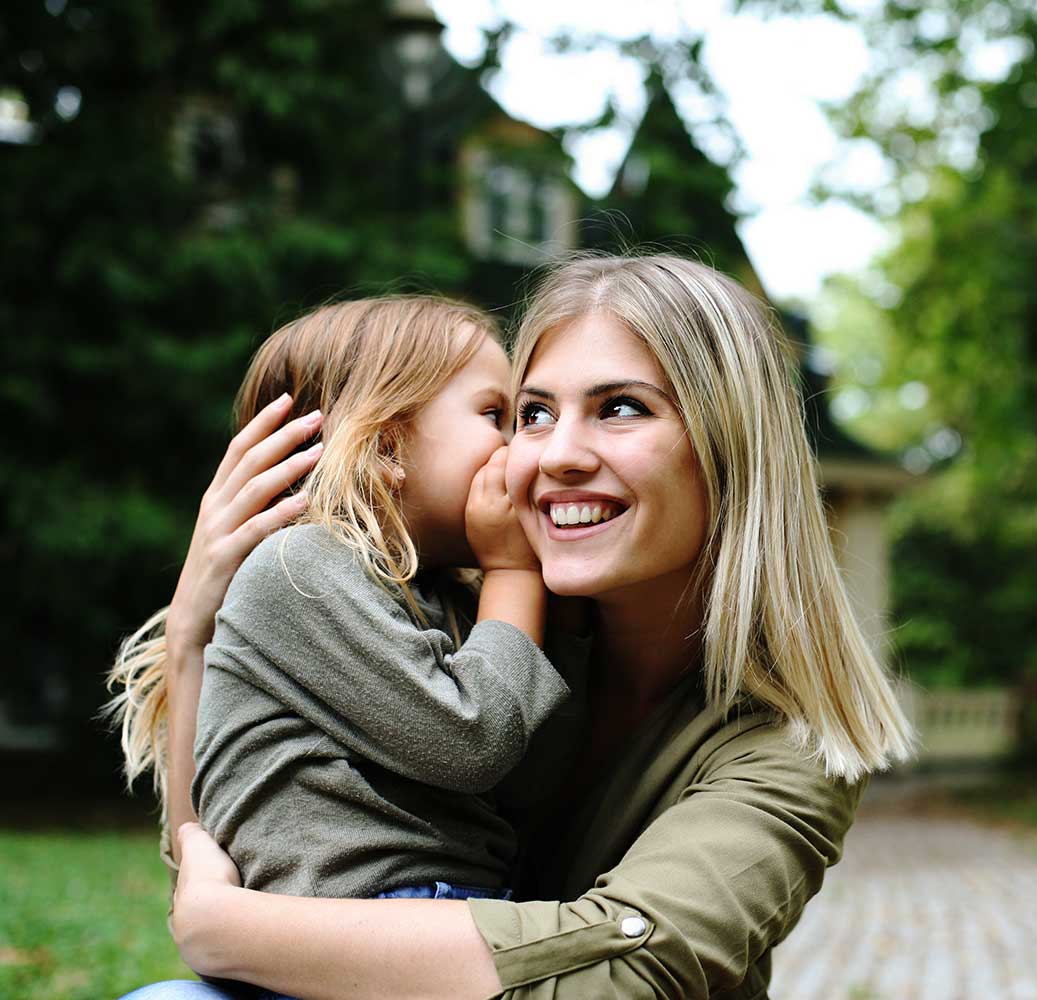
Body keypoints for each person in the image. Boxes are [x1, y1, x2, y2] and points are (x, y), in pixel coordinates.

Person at [118, 255, 916, 1000]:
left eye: (621, 408)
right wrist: (193, 634)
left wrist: (237, 931)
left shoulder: (791, 743)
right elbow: (227, 847)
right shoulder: (466, 612)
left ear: (730, 449)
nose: (553, 453)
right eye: (530, 414)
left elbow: (635, 969)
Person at [106, 295, 583, 912]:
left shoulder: (453, 598)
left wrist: (555, 614)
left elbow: (534, 779)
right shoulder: (300, 568)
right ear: (386, 448)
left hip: (453, 911)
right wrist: (514, 570)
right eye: (497, 416)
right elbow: (474, 741)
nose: (522, 448)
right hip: (379, 913)